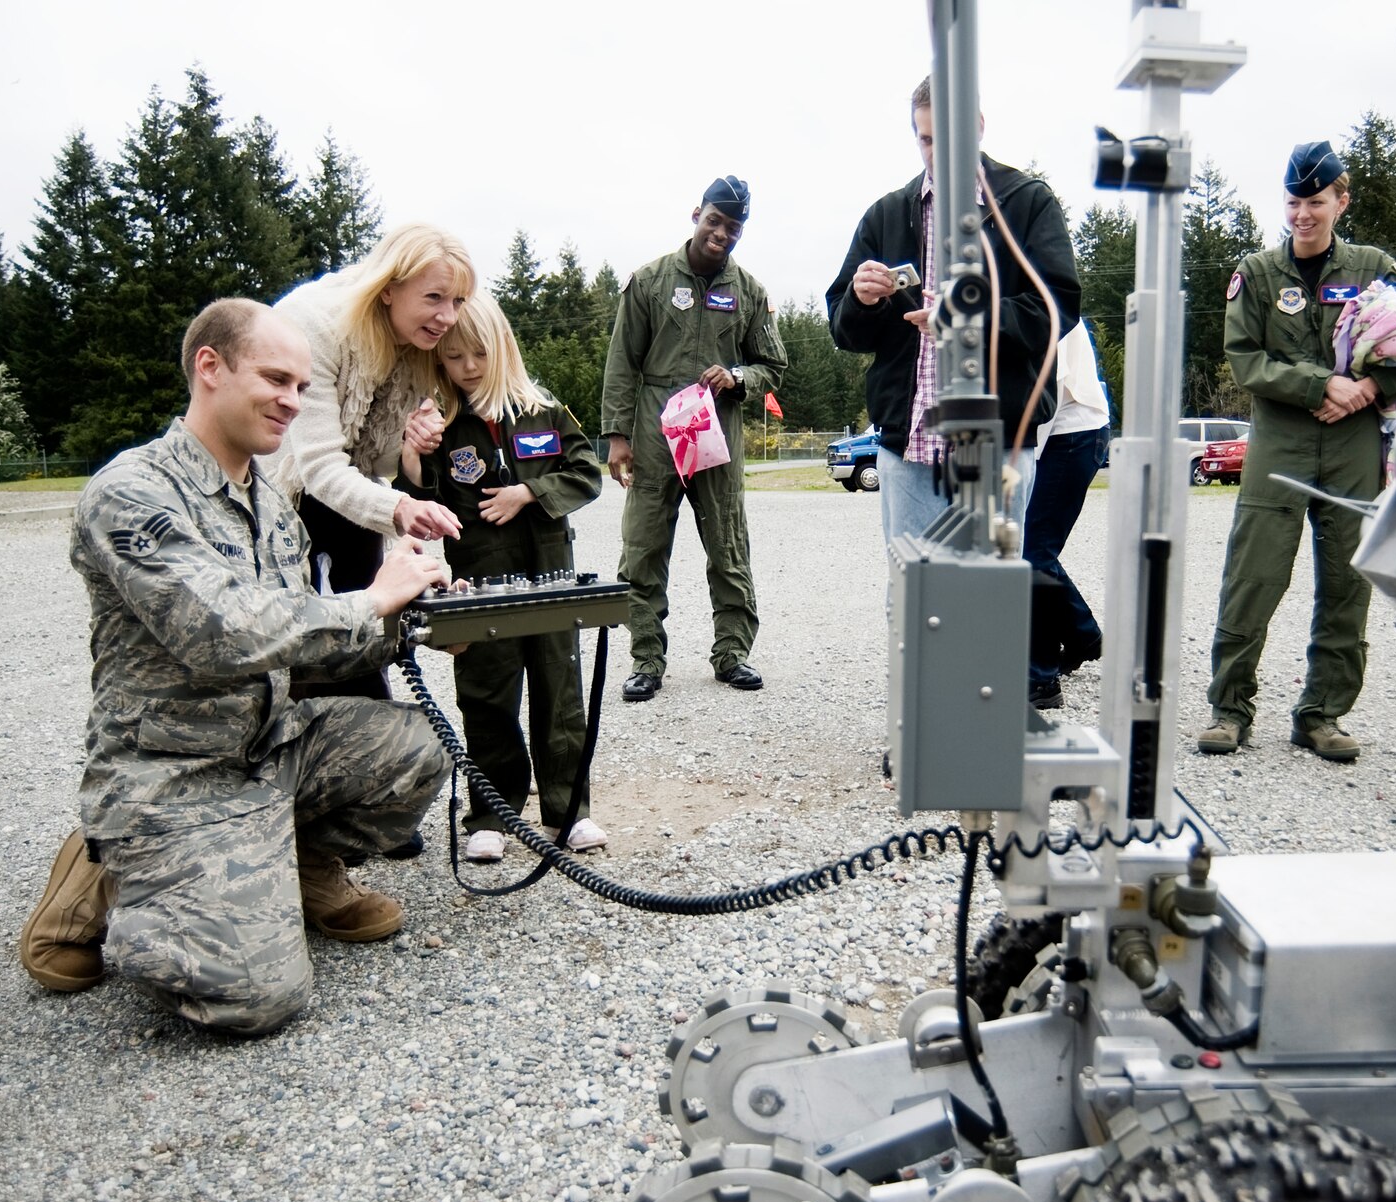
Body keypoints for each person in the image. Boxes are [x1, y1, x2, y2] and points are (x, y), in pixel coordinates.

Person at [20, 299, 451, 1034]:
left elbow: (301, 639)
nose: (292, 401)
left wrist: (421, 623)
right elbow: (223, 634)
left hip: (265, 747)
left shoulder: (269, 503)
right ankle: (111, 866)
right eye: (276, 378)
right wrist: (371, 598)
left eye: (301, 387)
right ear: (209, 367)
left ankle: (299, 869)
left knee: (418, 747)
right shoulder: (132, 493)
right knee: (257, 998)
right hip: (172, 771)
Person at [1198, 142, 1396, 763]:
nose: (1303, 214)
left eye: (1316, 202)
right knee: (1253, 577)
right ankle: (1230, 708)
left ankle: (1322, 714)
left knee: (1346, 582)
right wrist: (1316, 385)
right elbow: (1245, 357)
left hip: (1351, 447)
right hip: (1280, 443)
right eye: (1294, 202)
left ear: (1341, 200)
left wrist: (1367, 389)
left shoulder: (1375, 267)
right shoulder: (1255, 273)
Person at [270, 224, 475, 858]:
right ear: (389, 288)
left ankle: (371, 798)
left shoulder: (414, 345)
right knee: (311, 653)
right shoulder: (318, 325)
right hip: (290, 503)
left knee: (368, 640)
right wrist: (401, 509)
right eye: (435, 299)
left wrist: (410, 448)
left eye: (458, 303)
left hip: (355, 504)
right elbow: (318, 466)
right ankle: (310, 820)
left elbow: (375, 457)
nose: (447, 317)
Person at [826, 76, 1079, 549]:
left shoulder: (1026, 203)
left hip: (998, 443)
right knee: (911, 601)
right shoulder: (886, 214)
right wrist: (862, 300)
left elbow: (1058, 307)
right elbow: (844, 329)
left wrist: (970, 320)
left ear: (978, 126)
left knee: (991, 597)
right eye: (925, 139)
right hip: (908, 450)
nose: (935, 152)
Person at [397, 292, 607, 860]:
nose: (467, 367)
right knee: (487, 695)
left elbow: (587, 472)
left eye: (479, 354)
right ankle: (491, 814)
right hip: (481, 580)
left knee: (560, 692)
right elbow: (420, 501)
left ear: (503, 348)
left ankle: (569, 811)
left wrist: (529, 493)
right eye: (455, 357)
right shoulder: (440, 424)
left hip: (548, 575)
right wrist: (413, 458)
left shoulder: (542, 409)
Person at [600, 176, 787, 703]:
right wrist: (616, 436)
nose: (722, 233)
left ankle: (732, 654)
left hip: (716, 433)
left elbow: (773, 365)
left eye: (734, 227)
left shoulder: (748, 292)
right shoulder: (651, 282)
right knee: (643, 546)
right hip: (656, 431)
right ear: (696, 215)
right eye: (715, 220)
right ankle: (646, 659)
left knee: (727, 544)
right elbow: (622, 364)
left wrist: (738, 377)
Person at [1023, 320, 1113, 711]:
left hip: (1069, 435)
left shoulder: (1046, 296)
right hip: (1063, 435)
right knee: (1033, 550)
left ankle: (1041, 678)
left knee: (1031, 554)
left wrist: (1020, 460)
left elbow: (1046, 393)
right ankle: (1083, 635)